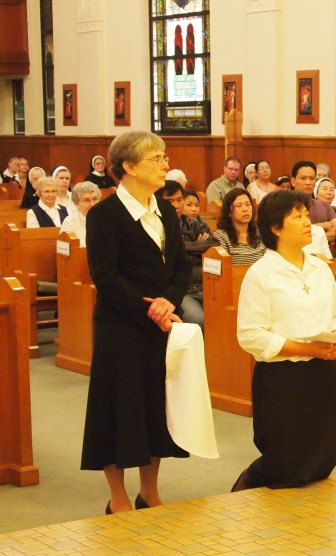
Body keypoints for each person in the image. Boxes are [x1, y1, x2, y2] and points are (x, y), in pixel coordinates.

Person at [81, 130, 191, 514]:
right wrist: (152, 309)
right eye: (155, 158)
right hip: (121, 327)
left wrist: (169, 302)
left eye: (164, 157)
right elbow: (106, 278)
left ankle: (149, 490)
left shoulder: (165, 212)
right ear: (127, 167)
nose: (165, 165)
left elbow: (181, 268)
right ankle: (118, 497)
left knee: (152, 406)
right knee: (117, 408)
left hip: (160, 327)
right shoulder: (104, 215)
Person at [232, 189, 336, 490]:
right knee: (283, 464)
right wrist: (306, 348)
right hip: (282, 375)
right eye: (297, 217)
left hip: (322, 371)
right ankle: (247, 484)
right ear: (276, 228)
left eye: (306, 215)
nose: (306, 222)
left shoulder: (320, 268)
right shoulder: (261, 274)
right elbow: (250, 335)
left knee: (321, 461)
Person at [179, 188, 217, 329]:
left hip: (207, 286)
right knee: (199, 320)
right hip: (185, 291)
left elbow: (213, 244)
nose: (194, 209)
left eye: (196, 205)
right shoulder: (172, 227)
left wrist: (186, 249)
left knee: (224, 317)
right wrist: (198, 247)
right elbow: (176, 254)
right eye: (189, 205)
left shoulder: (199, 225)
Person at [213, 188, 266, 265]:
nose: (245, 209)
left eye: (248, 204)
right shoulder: (221, 237)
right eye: (239, 206)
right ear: (229, 212)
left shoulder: (260, 233)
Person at [292, 161, 336, 242]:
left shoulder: (324, 205)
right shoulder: (284, 205)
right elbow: (292, 233)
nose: (308, 182)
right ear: (293, 181)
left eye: (312, 178)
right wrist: (324, 225)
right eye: (303, 178)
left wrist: (315, 238)